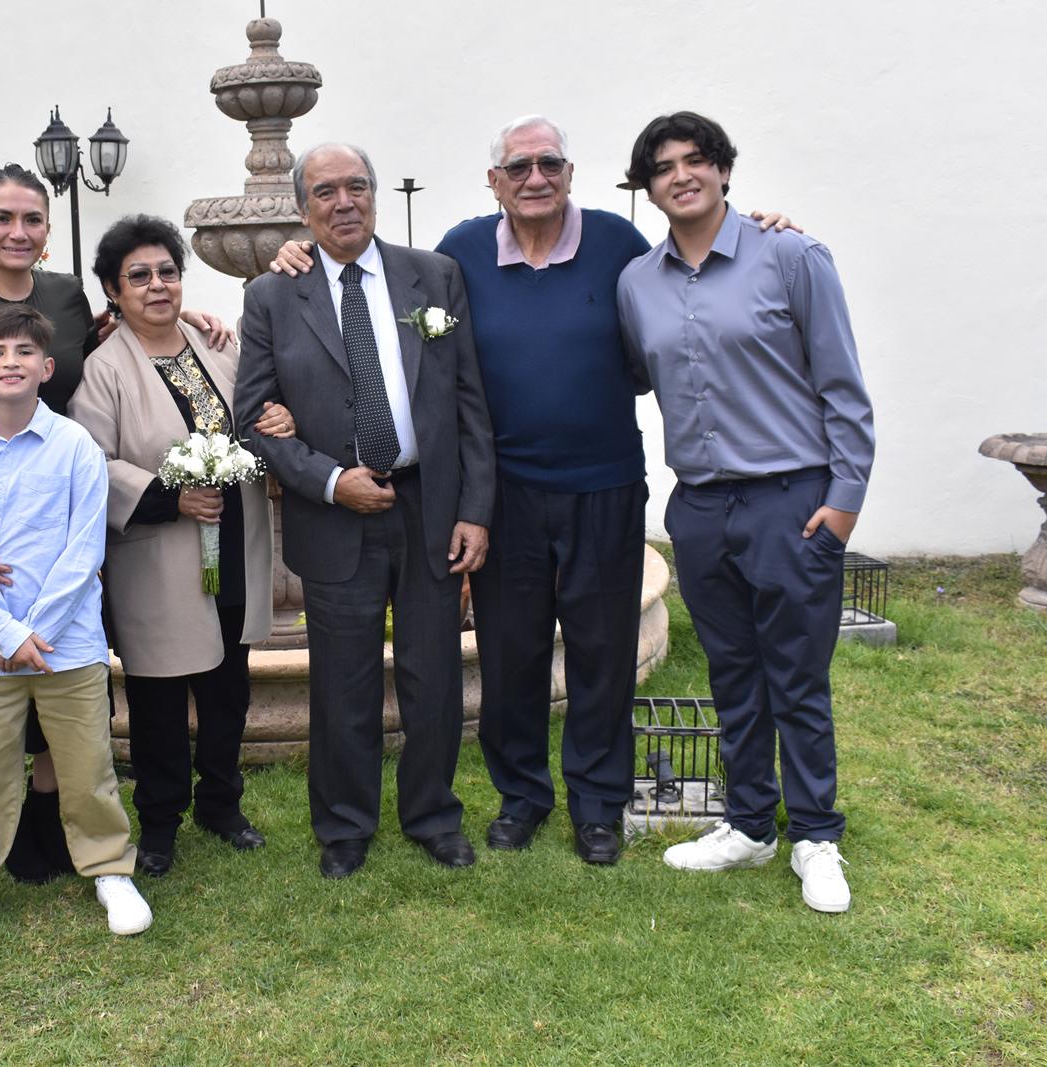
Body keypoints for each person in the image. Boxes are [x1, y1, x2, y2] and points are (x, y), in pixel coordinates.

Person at [269, 116, 801, 868]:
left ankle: (598, 804)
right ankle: (521, 797)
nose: (534, 178)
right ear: (495, 182)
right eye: (517, 167)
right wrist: (295, 252)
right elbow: (426, 355)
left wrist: (761, 231)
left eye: (549, 163)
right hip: (506, 492)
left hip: (604, 483)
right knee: (511, 655)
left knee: (602, 651)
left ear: (570, 172)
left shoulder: (617, 242)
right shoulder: (459, 255)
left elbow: (692, 262)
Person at [0, 163, 234, 885]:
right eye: (3, 219)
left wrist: (187, 317)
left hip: (65, 496)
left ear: (48, 230)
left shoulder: (63, 293)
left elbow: (120, 340)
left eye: (32, 219)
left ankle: (56, 822)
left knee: (67, 692)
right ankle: (2, 840)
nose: (18, 232)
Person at [616, 112, 873, 913]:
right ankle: (751, 823)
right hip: (700, 506)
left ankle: (817, 835)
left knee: (796, 677)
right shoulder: (637, 283)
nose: (682, 175)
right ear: (648, 187)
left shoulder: (790, 255)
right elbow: (635, 373)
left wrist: (843, 503)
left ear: (724, 169)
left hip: (790, 502)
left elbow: (842, 387)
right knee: (732, 674)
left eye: (697, 159)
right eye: (664, 166)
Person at [235, 143, 495, 879]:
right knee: (342, 681)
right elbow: (253, 417)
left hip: (429, 506)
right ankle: (344, 826)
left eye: (356, 186)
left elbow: (470, 401)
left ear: (375, 195)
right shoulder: (273, 295)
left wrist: (475, 509)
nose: (343, 201)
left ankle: (433, 815)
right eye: (325, 191)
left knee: (433, 672)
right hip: (334, 513)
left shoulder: (434, 276)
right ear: (303, 207)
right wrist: (329, 481)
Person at [0, 302, 152, 950]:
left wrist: (32, 632)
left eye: (24, 352)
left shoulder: (76, 446)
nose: (11, 362)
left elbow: (85, 550)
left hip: (65, 643)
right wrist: (4, 634)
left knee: (88, 765)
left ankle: (110, 870)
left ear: (48, 367)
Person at [68, 214, 292, 877]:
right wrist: (171, 497)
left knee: (228, 687)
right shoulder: (103, 370)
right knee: (160, 697)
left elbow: (257, 412)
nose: (157, 285)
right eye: (138, 276)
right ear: (113, 290)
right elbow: (93, 461)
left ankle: (222, 804)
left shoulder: (216, 344)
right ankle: (161, 822)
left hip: (233, 540)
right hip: (159, 553)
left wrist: (281, 418)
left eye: (167, 271)